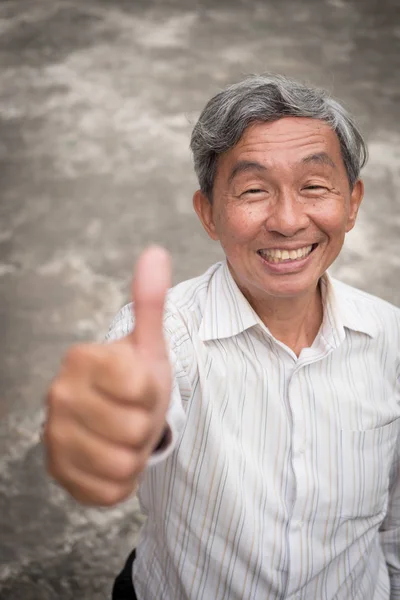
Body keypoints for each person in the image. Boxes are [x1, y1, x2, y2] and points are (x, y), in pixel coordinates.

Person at [44, 74, 400, 600]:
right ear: (209, 213)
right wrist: (107, 436)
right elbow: (137, 402)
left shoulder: (391, 340)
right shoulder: (167, 335)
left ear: (352, 202)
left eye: (315, 187)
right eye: (254, 190)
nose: (286, 220)